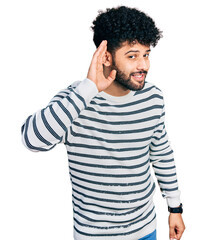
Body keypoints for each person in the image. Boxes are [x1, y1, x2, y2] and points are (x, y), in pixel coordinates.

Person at [21, 5, 185, 240]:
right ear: (106, 56)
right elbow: (31, 140)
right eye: (132, 56)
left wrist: (175, 207)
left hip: (146, 229)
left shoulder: (153, 97)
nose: (144, 66)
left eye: (146, 54)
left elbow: (160, 152)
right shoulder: (76, 100)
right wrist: (88, 88)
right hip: (95, 235)